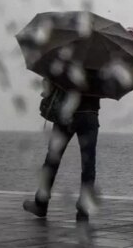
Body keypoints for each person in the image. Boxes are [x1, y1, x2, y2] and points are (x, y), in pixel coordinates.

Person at [23, 79, 101, 219]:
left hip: (67, 114)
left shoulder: (68, 58)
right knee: (88, 163)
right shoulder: (101, 62)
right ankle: (84, 208)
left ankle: (41, 203)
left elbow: (51, 82)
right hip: (90, 114)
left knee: (52, 159)